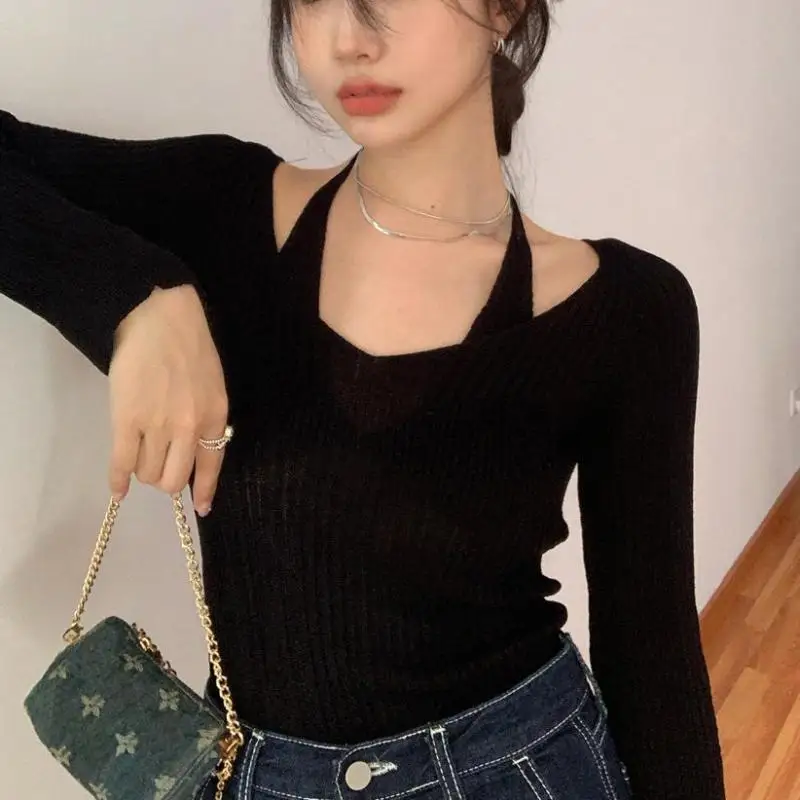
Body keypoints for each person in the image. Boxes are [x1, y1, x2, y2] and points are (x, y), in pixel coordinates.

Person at [0, 0, 727, 797]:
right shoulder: (222, 210)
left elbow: (652, 655)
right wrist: (133, 297)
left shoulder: (627, 309)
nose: (349, 38)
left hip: (519, 770)